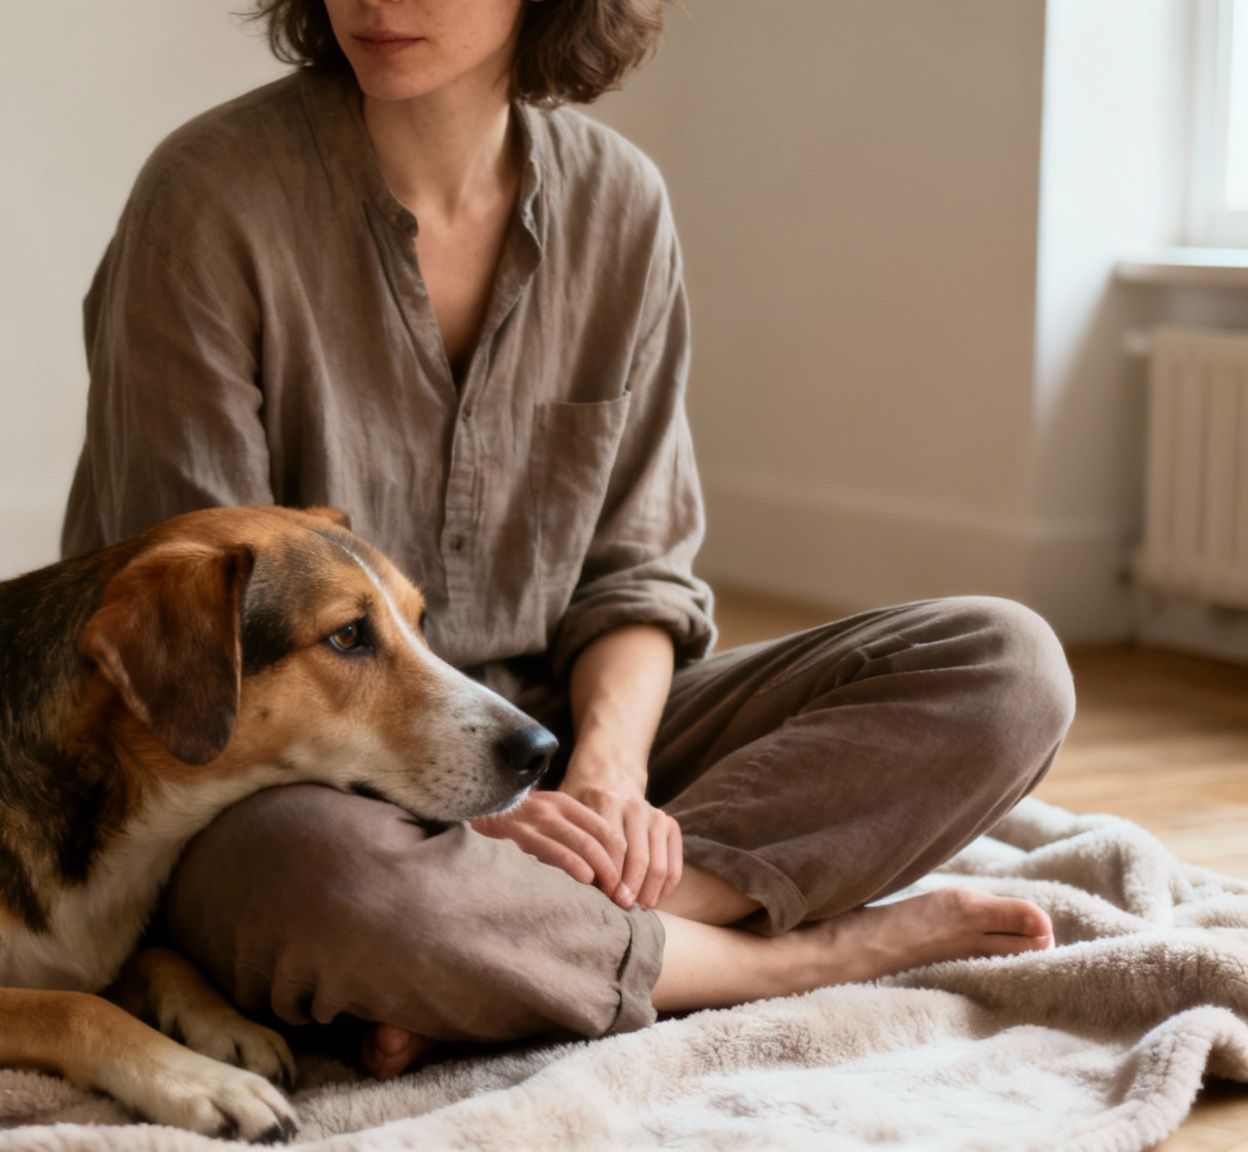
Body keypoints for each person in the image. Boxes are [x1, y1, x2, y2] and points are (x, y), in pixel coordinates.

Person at [62, 0, 1074, 1079]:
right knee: (328, 887)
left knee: (1003, 668)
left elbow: (635, 577)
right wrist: (466, 813)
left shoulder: (619, 203)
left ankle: (513, 950)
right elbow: (202, 681)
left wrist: (605, 778)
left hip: (543, 729)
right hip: (292, 778)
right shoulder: (209, 196)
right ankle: (783, 959)